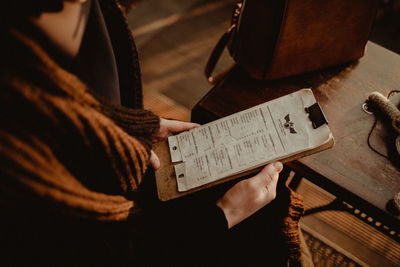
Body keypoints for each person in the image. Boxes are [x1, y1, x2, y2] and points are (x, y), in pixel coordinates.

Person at [0, 0, 305, 266]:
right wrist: (224, 215)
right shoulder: (17, 167)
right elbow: (97, 252)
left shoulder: (27, 54)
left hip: (123, 182)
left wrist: (137, 125)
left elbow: (68, 100)